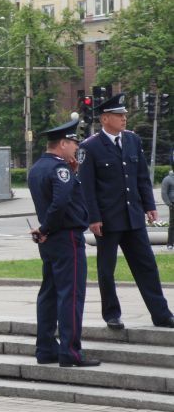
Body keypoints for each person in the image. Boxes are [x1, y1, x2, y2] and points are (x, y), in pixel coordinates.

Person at [78, 93, 174, 329]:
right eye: (119, 115)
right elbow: (87, 187)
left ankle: (161, 314)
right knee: (106, 270)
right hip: (108, 221)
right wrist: (93, 218)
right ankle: (112, 313)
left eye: (124, 115)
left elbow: (141, 175)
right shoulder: (89, 147)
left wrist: (149, 205)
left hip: (133, 217)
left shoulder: (132, 140)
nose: (124, 119)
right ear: (105, 119)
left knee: (147, 265)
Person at [28, 119, 100, 368]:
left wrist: (44, 230)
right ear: (63, 143)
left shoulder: (38, 167)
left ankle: (45, 348)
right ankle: (70, 351)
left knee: (48, 293)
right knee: (71, 295)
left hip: (49, 240)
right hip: (66, 236)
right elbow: (60, 203)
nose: (76, 147)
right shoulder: (60, 169)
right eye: (73, 142)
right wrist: (47, 228)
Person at [160, 170, 174, 250]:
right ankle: (170, 243)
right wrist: (169, 203)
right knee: (172, 224)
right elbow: (164, 193)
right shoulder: (167, 179)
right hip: (173, 204)